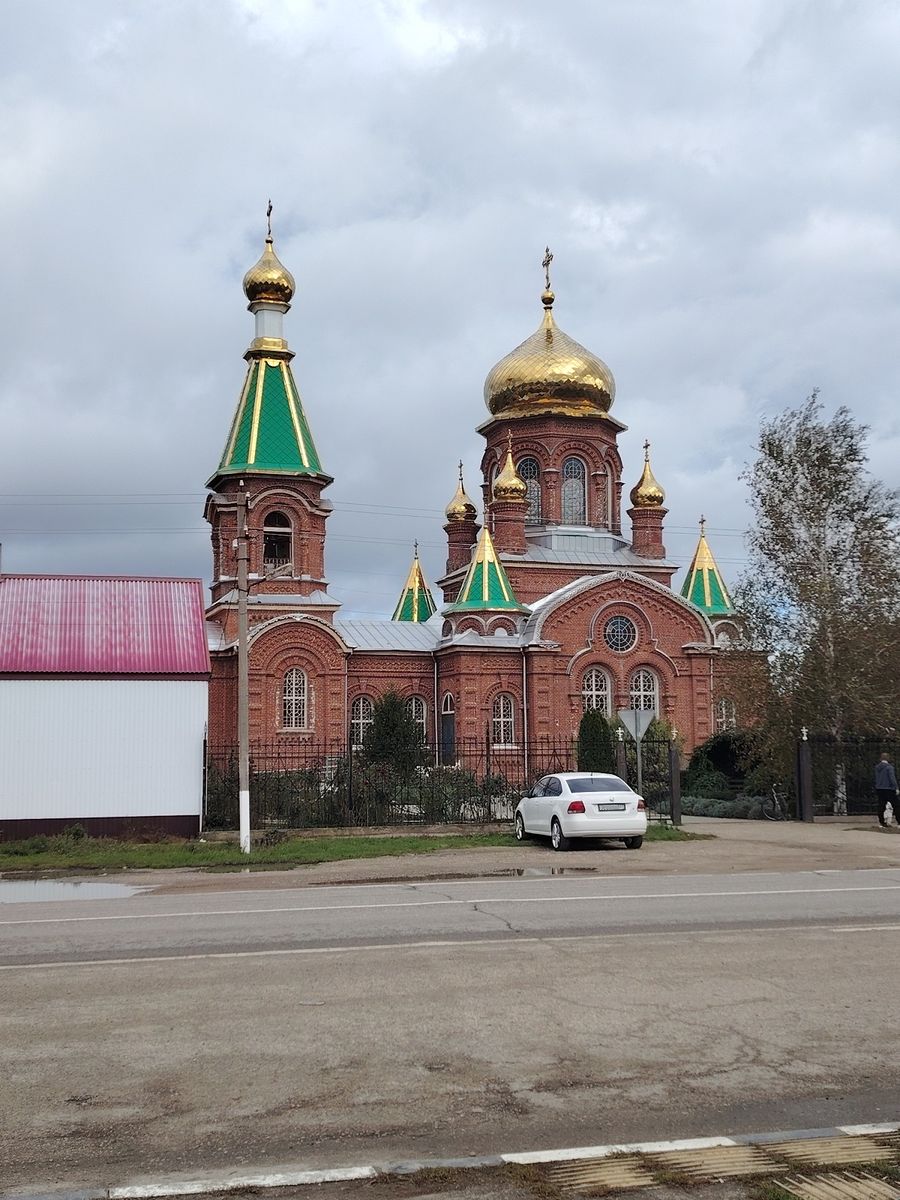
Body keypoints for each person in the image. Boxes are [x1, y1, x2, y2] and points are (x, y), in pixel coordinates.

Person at [874, 752, 898, 827]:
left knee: (881, 805)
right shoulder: (889, 767)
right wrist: (896, 787)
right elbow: (892, 778)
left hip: (879, 788)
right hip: (889, 789)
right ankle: (899, 821)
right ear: (888, 758)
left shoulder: (877, 767)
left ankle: (882, 822)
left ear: (880, 758)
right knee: (896, 805)